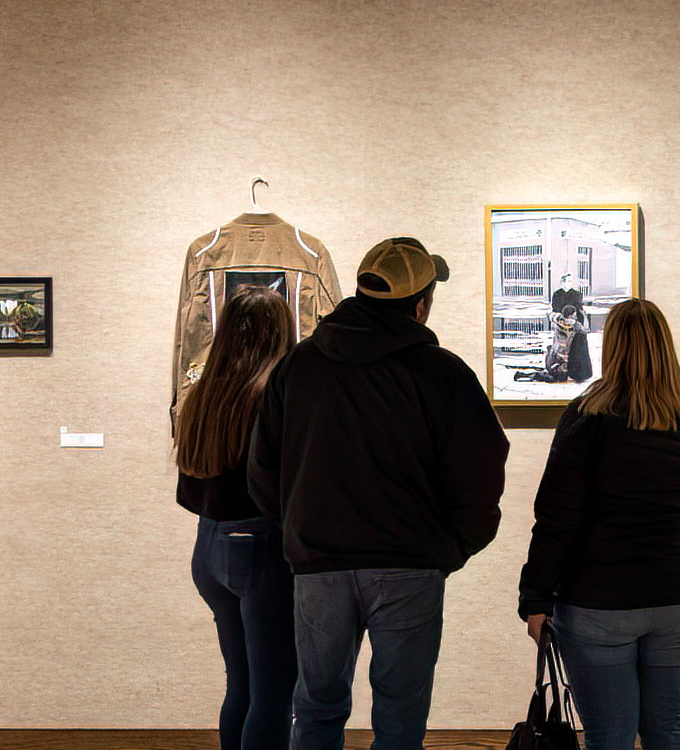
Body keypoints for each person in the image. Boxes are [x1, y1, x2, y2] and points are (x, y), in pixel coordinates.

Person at [247, 237, 509, 750]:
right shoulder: (443, 373)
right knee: (400, 715)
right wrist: (453, 546)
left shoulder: (298, 366)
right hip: (408, 566)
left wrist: (298, 527)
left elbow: (262, 468)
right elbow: (481, 468)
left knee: (316, 709)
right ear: (421, 303)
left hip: (319, 565)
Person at [518, 298, 680, 750]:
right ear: (666, 349)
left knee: (609, 734)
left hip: (600, 600)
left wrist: (535, 597)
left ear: (610, 347)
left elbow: (556, 519)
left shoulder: (586, 420)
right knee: (670, 725)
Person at [174, 287, 297, 750]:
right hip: (260, 547)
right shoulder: (272, 393)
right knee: (273, 695)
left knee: (241, 687)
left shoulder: (204, 392)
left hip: (208, 546)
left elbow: (190, 486)